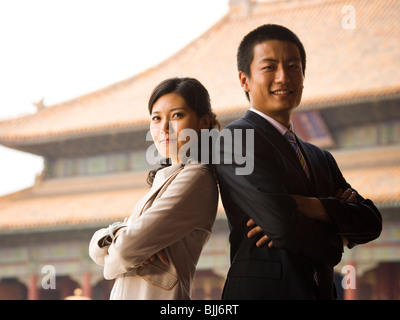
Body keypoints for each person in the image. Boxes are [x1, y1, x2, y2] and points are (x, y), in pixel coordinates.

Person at [214, 24, 382, 299]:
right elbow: (281, 223)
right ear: (244, 80)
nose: (283, 77)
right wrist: (336, 238)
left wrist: (312, 206)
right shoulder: (236, 138)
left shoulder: (320, 157)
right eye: (269, 67)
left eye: (293, 66)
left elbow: (372, 222)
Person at [89, 77, 220, 299]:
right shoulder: (166, 178)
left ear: (203, 122)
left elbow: (122, 253)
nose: (164, 128)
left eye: (177, 115)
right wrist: (119, 232)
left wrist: (121, 239)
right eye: (156, 118)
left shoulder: (196, 178)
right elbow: (95, 250)